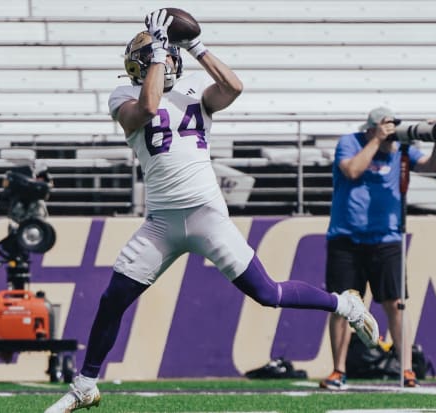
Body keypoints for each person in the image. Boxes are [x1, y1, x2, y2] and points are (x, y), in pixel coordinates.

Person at [45, 9, 379, 412]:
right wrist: (157, 52)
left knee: (267, 294)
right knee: (113, 298)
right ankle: (85, 385)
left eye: (152, 53)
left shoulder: (194, 96)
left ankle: (346, 305)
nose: (150, 58)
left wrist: (196, 46)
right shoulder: (124, 98)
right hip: (162, 222)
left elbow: (234, 87)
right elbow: (148, 109)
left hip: (206, 214)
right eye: (146, 55)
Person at [320, 107, 436, 390]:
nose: (391, 133)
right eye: (384, 128)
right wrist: (376, 141)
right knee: (342, 306)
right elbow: (352, 170)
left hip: (387, 239)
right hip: (346, 238)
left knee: (396, 304)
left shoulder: (400, 148)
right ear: (371, 128)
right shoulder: (350, 142)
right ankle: (338, 370)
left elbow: (433, 166)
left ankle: (406, 370)